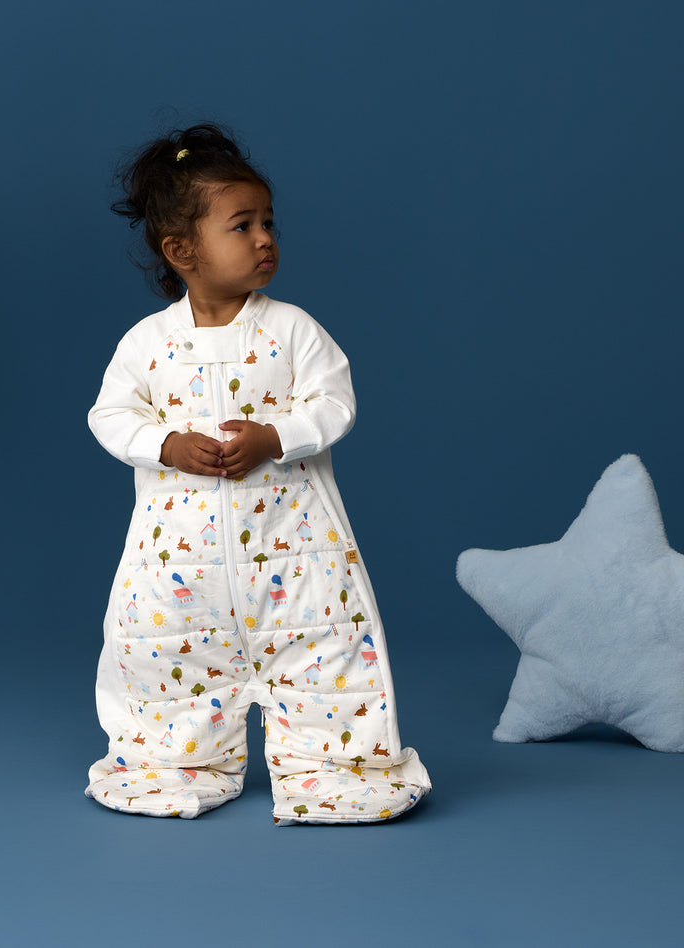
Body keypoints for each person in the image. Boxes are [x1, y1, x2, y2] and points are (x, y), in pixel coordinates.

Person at [86, 123, 431, 823]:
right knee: (165, 656)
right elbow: (109, 415)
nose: (266, 238)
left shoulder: (293, 330)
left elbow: (337, 402)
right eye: (242, 226)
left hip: (291, 548)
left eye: (269, 222)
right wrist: (167, 445)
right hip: (181, 565)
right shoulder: (148, 344)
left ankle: (330, 766)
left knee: (321, 647)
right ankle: (175, 760)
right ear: (181, 250)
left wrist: (278, 435)